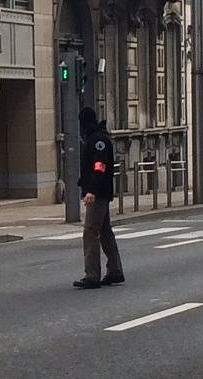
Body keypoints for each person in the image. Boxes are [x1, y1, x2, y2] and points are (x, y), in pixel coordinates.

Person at [73, 107, 125, 290]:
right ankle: (115, 270)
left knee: (90, 232)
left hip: (98, 193)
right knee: (104, 232)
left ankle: (92, 275)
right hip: (101, 191)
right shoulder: (98, 138)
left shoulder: (97, 141)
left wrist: (92, 191)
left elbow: (99, 166)